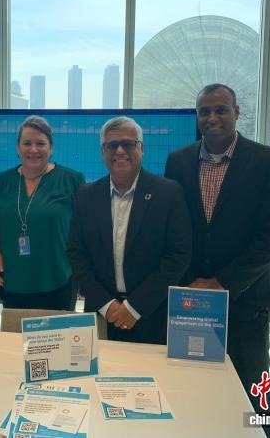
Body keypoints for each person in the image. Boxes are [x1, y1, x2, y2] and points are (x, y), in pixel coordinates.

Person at [164, 83, 270, 438]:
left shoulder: (267, 161)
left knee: (252, 391)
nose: (212, 117)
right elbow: (174, 228)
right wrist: (191, 282)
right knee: (193, 386)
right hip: (191, 299)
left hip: (244, 299)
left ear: (237, 112)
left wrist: (222, 283)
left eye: (221, 109)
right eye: (204, 111)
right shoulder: (179, 161)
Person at [67, 116, 191, 343]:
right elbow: (76, 253)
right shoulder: (85, 195)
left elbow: (178, 256)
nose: (120, 151)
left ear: (141, 148)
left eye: (128, 144)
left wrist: (134, 307)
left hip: (151, 315)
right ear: (103, 152)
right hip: (101, 314)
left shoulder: (169, 193)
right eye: (112, 145)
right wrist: (106, 305)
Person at [0, 115, 85, 310]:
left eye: (40, 143)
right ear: (18, 147)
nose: (33, 149)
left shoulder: (71, 180)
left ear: (51, 147)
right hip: (14, 277)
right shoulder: (4, 180)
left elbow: (84, 229)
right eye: (27, 143)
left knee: (56, 330)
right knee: (14, 330)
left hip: (57, 278)